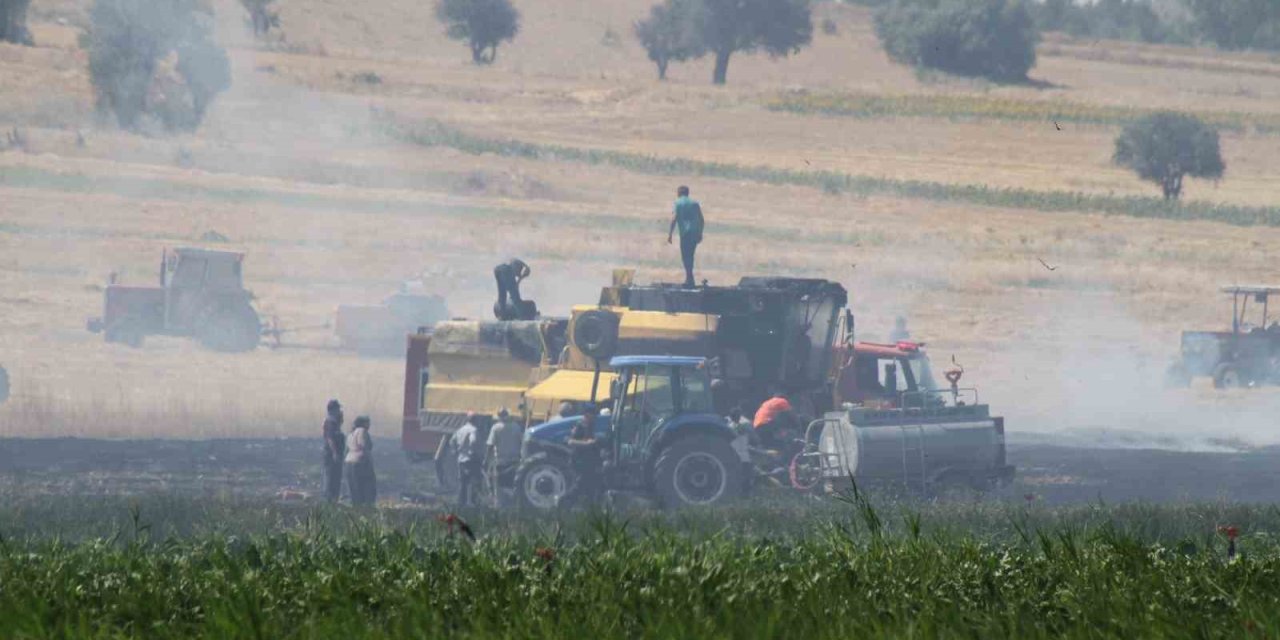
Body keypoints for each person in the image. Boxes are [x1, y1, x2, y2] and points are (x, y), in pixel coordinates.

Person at [561, 407, 603, 510]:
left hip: (589, 462)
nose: (595, 417)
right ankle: (563, 503)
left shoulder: (591, 425)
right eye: (593, 415)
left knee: (590, 487)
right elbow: (570, 442)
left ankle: (589, 509)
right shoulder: (580, 425)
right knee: (580, 486)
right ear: (587, 415)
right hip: (580, 460)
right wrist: (587, 444)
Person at [666, 185, 704, 288]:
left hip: (685, 234)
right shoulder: (695, 203)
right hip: (694, 233)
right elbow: (701, 219)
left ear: (679, 193)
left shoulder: (678, 203)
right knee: (690, 255)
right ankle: (689, 278)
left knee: (685, 256)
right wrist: (700, 233)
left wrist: (670, 234)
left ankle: (689, 279)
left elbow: (674, 218)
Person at [486, 408, 523, 507]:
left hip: (500, 462)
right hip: (515, 461)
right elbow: (522, 442)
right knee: (512, 484)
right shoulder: (516, 427)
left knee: (499, 486)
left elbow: (490, 444)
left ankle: (499, 505)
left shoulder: (496, 428)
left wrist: (486, 459)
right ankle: (512, 504)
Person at [753, 391, 799, 456]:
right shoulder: (782, 401)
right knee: (785, 439)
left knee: (773, 444)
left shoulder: (766, 403)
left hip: (757, 426)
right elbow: (792, 414)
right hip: (768, 424)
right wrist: (798, 427)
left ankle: (777, 457)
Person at [344, 416, 377, 506]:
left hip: (349, 461)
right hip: (360, 462)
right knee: (365, 486)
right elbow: (364, 445)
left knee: (354, 488)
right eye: (368, 423)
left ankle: (356, 507)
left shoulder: (351, 434)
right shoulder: (362, 431)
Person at [452, 412, 483, 507]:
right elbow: (473, 441)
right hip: (471, 460)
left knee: (463, 482)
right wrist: (473, 452)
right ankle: (474, 502)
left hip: (461, 459)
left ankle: (461, 503)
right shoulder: (474, 430)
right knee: (476, 480)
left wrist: (455, 451)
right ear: (475, 420)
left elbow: (452, 441)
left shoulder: (460, 430)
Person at [321, 399, 345, 503]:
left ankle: (333, 499)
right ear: (333, 409)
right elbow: (330, 438)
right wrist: (335, 453)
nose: (339, 411)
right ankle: (329, 499)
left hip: (335, 454)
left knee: (335, 477)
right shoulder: (330, 422)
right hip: (331, 455)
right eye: (338, 408)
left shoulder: (334, 422)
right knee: (331, 477)